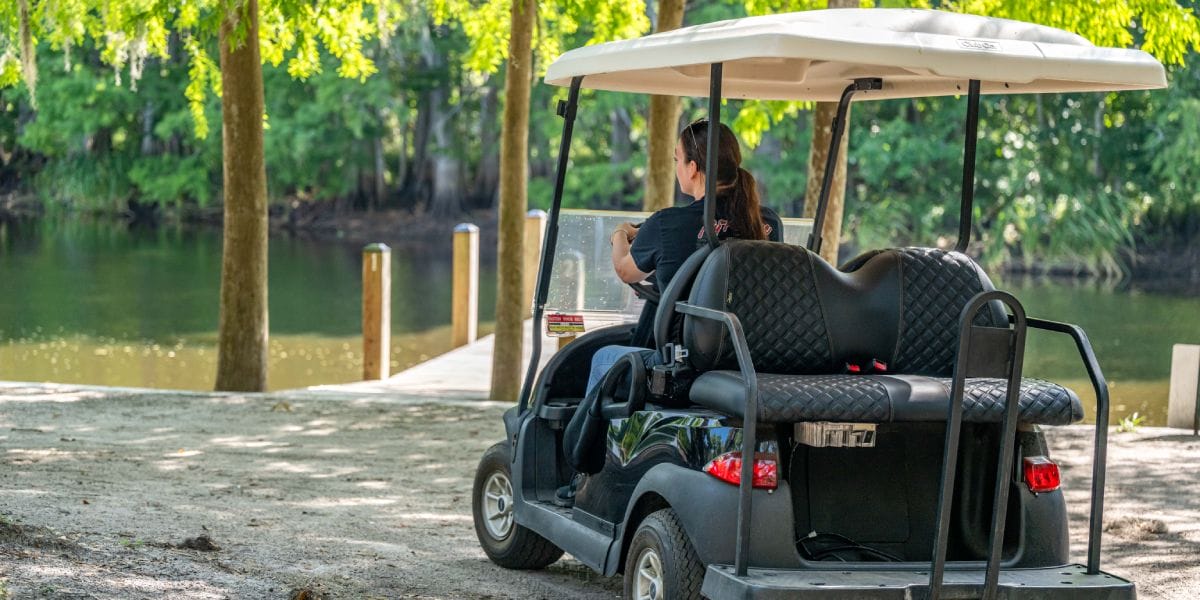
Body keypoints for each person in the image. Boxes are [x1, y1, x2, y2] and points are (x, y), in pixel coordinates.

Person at [585, 119, 783, 395]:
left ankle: (598, 439)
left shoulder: (667, 223)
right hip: (748, 359)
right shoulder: (767, 222)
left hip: (684, 363)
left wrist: (619, 234)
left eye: (678, 159)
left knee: (600, 358)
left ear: (692, 168)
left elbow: (625, 270)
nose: (676, 167)